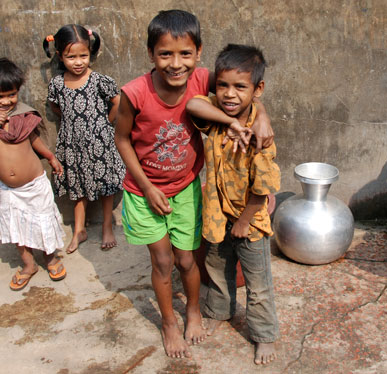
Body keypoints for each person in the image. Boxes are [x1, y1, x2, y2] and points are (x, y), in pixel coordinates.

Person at [114, 10, 274, 358]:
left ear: (198, 52)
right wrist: (148, 187)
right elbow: (122, 140)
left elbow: (247, 86)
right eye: (165, 54)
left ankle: (193, 310)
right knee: (162, 262)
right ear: (151, 54)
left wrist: (262, 116)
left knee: (187, 261)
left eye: (185, 54)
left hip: (185, 188)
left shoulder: (204, 79)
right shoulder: (135, 93)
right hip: (143, 190)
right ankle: (169, 323)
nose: (175, 64)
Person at [186, 44, 280, 365]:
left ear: (258, 89)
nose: (229, 94)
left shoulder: (261, 135)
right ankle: (220, 311)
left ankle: (264, 335)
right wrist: (229, 123)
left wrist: (244, 220)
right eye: (222, 85)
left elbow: (264, 186)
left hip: (249, 220)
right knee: (217, 268)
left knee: (258, 282)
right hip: (216, 215)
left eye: (240, 87)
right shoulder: (216, 116)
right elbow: (193, 104)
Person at [0, 57, 66, 291]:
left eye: (11, 95)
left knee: (43, 222)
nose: (6, 102)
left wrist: (50, 157)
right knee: (17, 228)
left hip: (35, 184)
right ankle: (28, 265)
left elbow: (34, 139)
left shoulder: (23, 114)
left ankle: (50, 258)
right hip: (10, 190)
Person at [44, 24, 126, 253]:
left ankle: (107, 225)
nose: (78, 62)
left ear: (91, 53)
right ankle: (79, 228)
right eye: (71, 57)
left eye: (83, 55)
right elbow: (55, 107)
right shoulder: (57, 84)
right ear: (60, 56)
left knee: (105, 186)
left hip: (99, 142)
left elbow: (117, 103)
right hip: (72, 144)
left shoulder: (99, 80)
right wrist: (73, 125)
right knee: (78, 187)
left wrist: (104, 123)